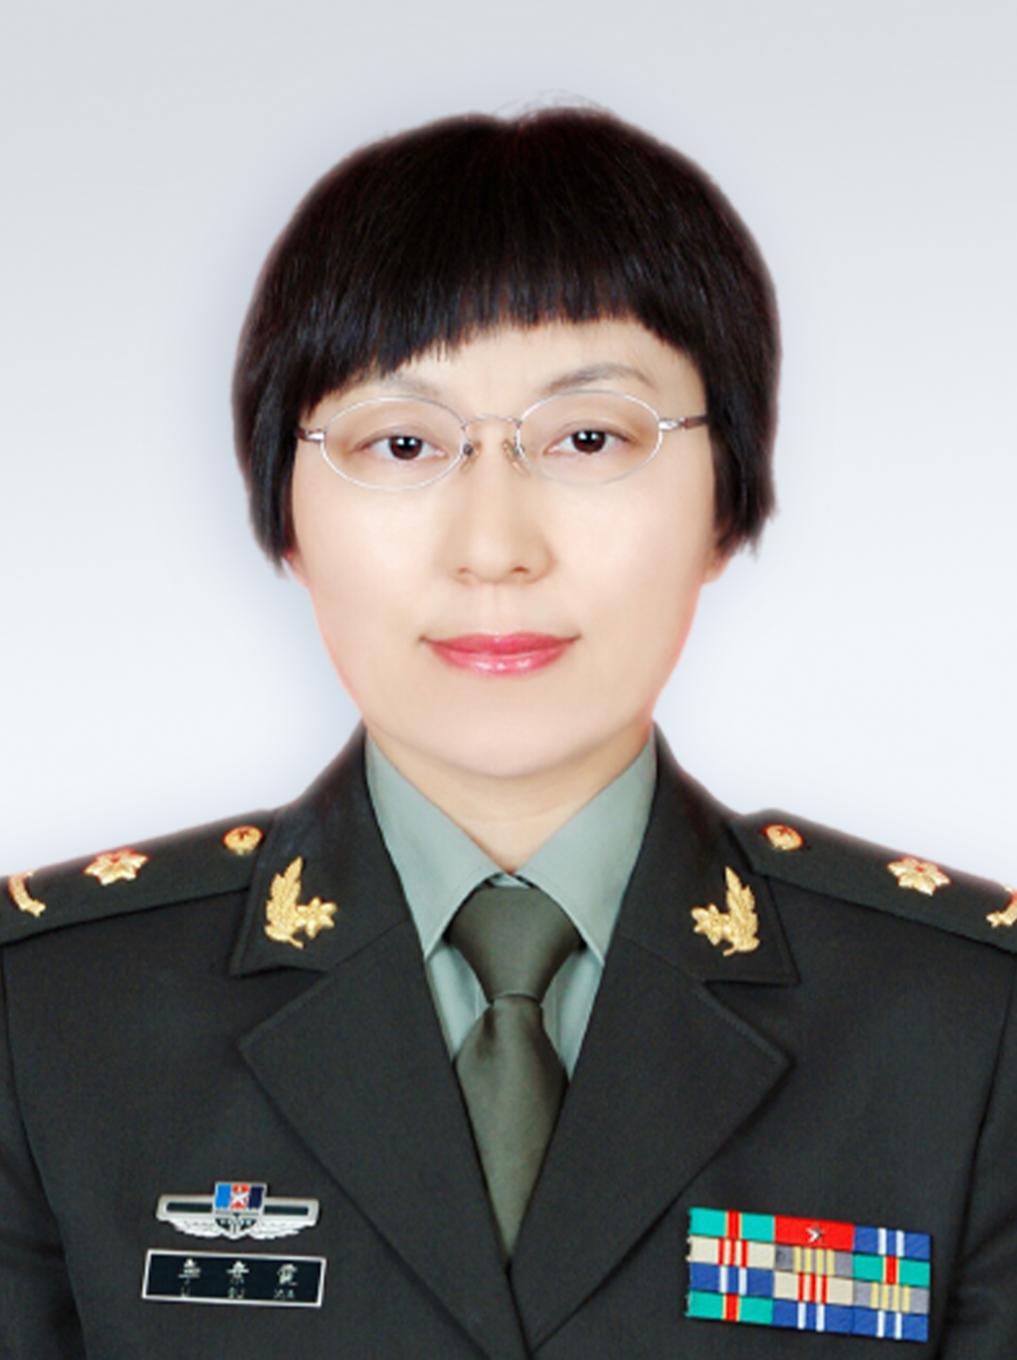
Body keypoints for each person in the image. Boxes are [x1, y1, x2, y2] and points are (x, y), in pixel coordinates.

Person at [2, 105, 1014, 1359]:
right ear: (287, 511)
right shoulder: (46, 1016)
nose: (494, 547)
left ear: (725, 496)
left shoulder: (966, 1025)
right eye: (402, 441)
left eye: (589, 437)